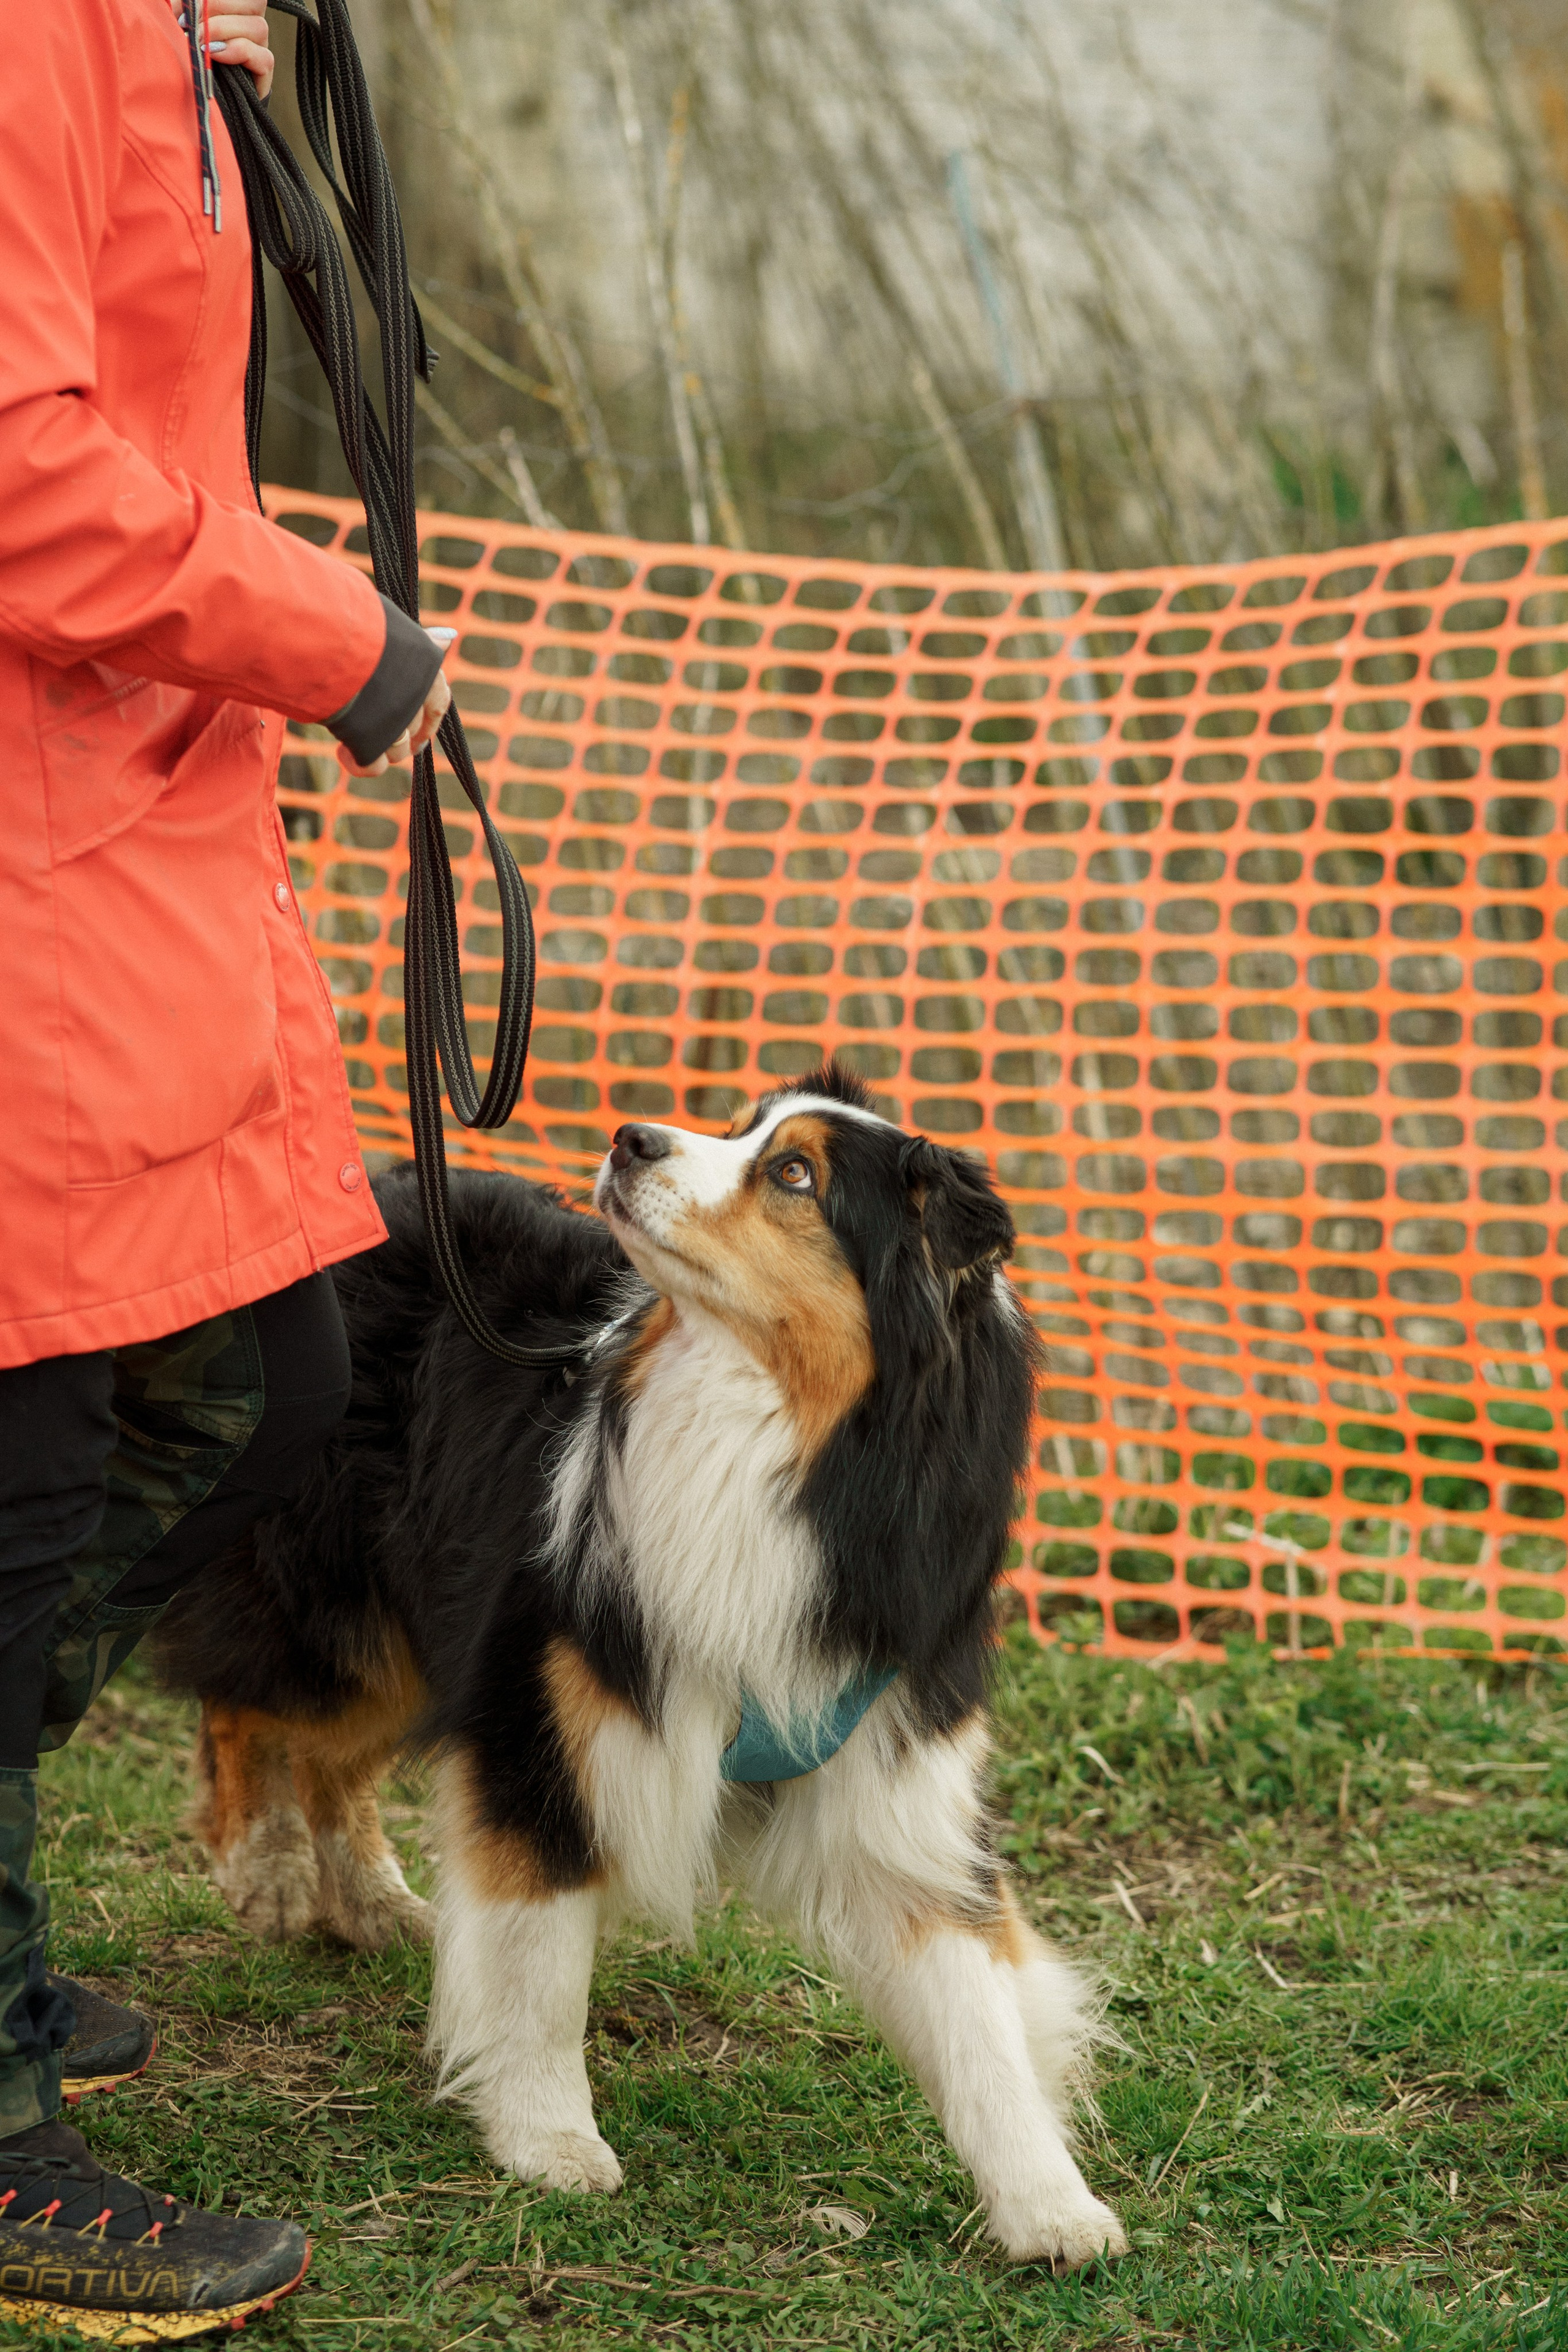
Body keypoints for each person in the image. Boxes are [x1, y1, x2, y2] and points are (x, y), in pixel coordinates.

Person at [0, 2, 452, 2332]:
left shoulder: (156, 30)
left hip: (130, 828)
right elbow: (17, 467)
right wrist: (332, 636)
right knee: (32, 1472)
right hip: (35, 843)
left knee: (263, 1384)